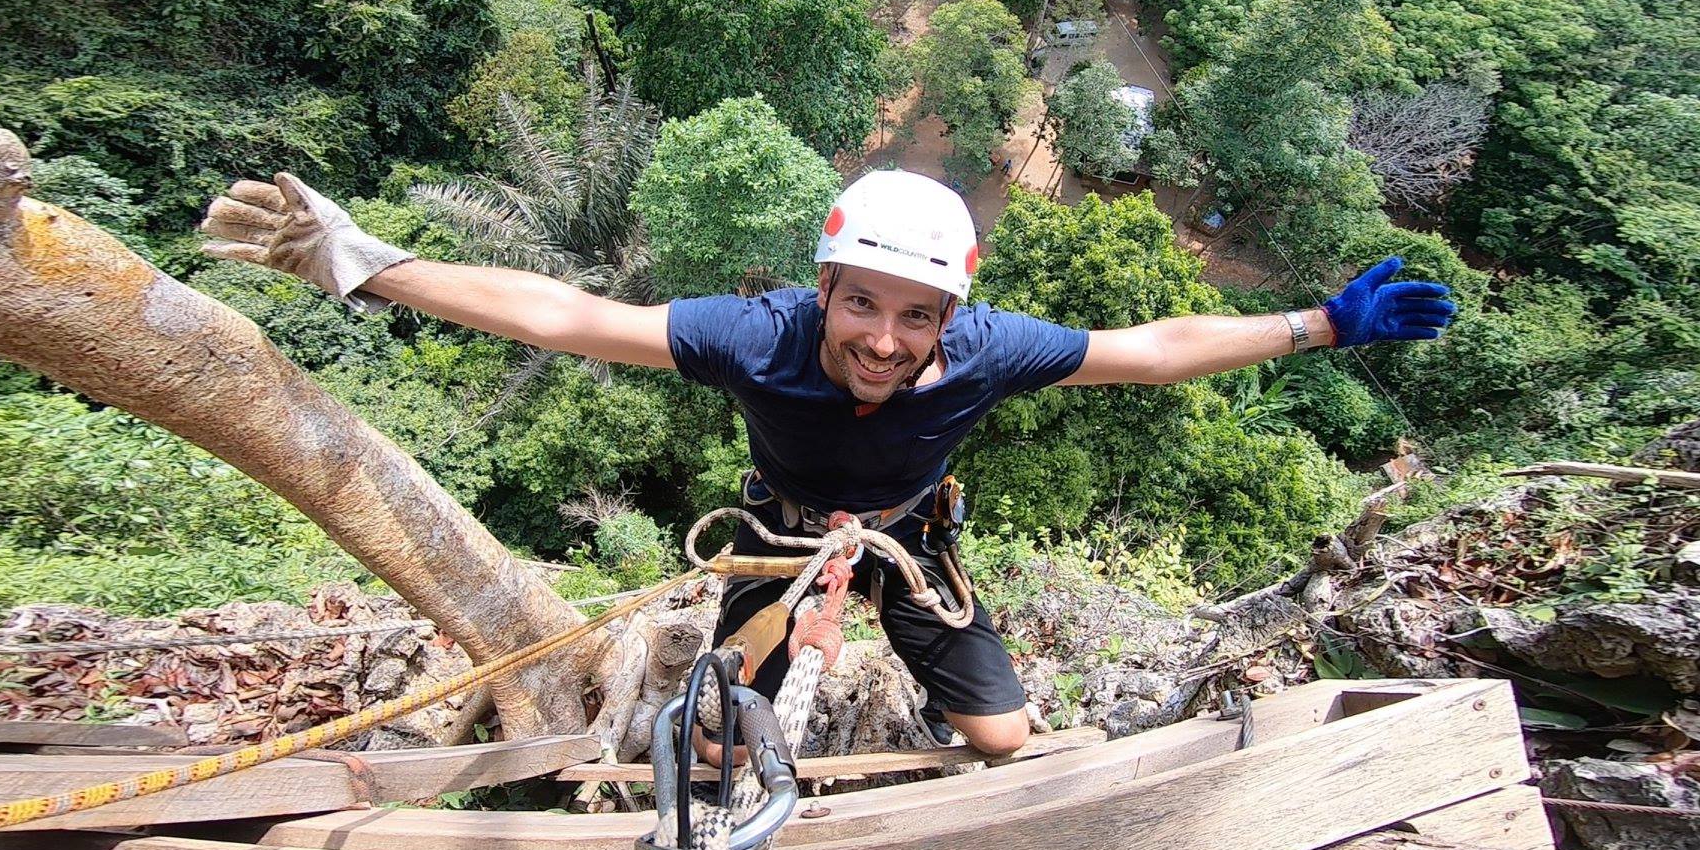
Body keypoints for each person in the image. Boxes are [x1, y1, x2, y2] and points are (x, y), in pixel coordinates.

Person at [200, 168, 1455, 756]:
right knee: (720, 741)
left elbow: (1158, 346)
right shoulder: (761, 337)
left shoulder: (991, 349)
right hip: (781, 533)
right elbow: (562, 313)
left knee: (1008, 739)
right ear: (824, 288)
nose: (886, 341)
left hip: (913, 538)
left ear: (955, 315)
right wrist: (362, 262)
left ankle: (902, 736)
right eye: (863, 307)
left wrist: (1323, 325)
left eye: (918, 318)